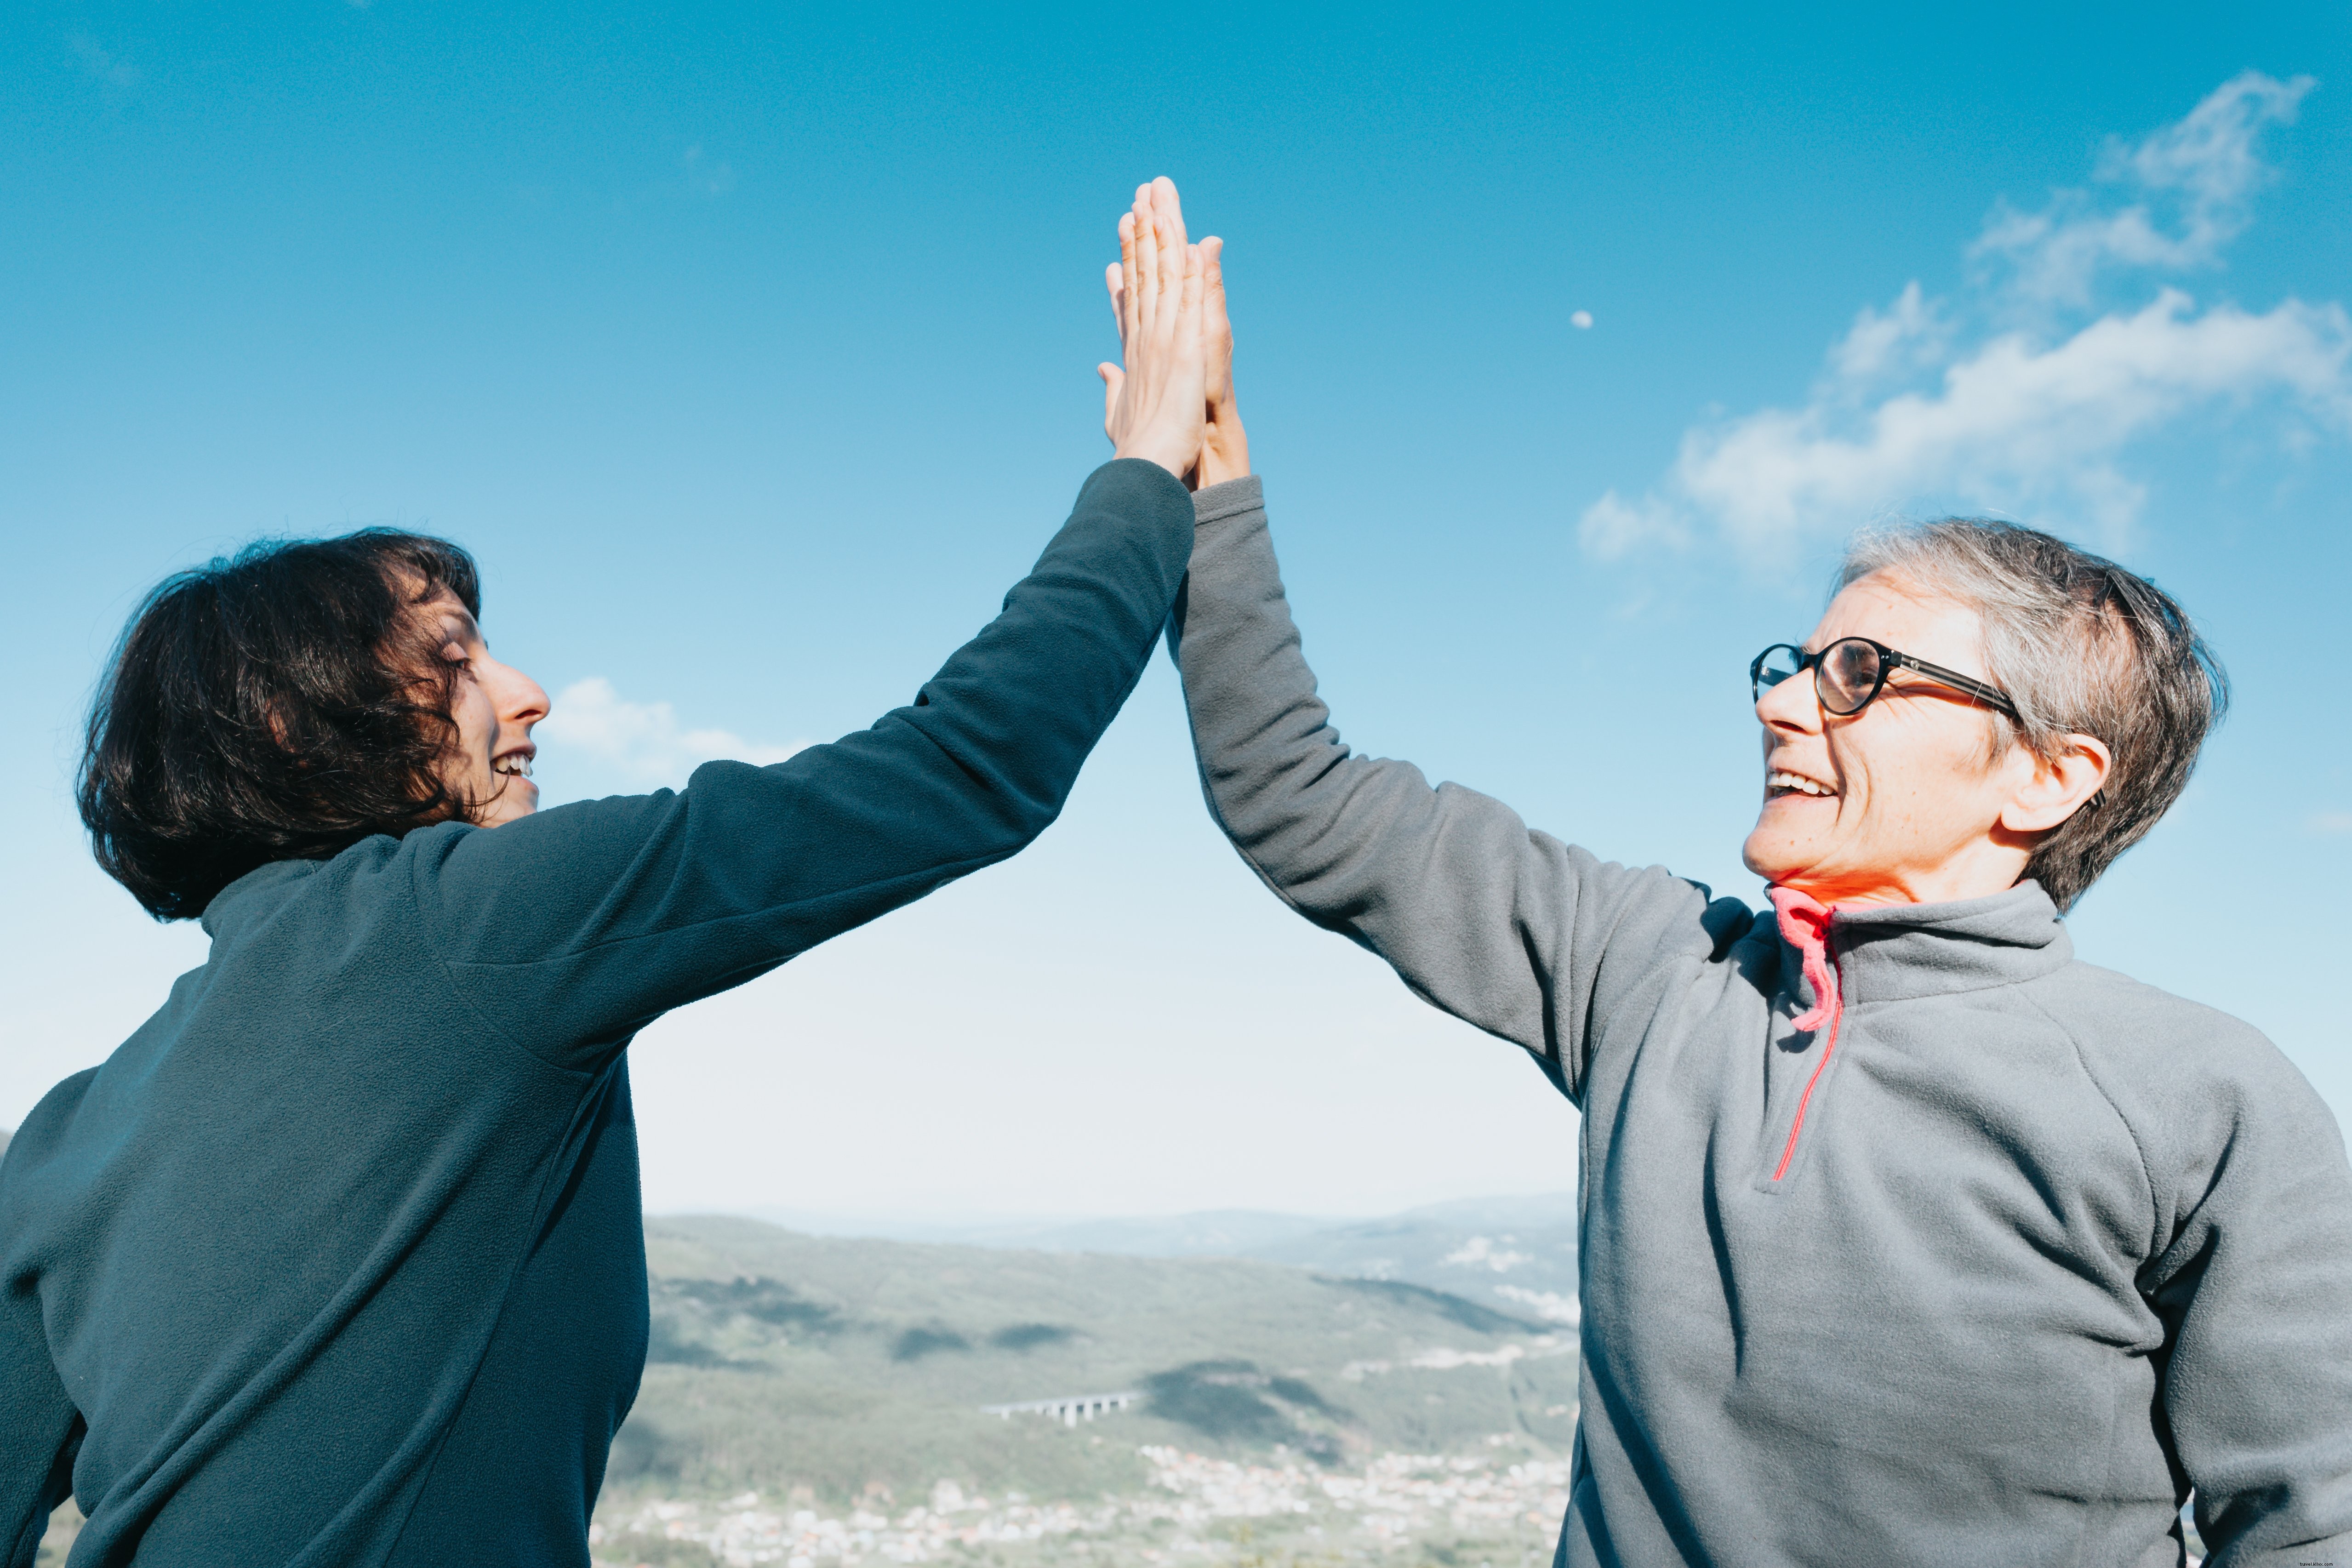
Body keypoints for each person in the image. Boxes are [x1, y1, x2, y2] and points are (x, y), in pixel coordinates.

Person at [0, 178, 1214, 1567]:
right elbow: (965, 764)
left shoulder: (56, 1141)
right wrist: (1148, 468)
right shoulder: (459, 931)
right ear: (290, 724)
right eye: (454, 653)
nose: (527, 694)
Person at [1160, 241, 2352, 1562]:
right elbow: (1298, 797)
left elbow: (2311, 1524)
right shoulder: (1650, 971)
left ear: (2044, 774)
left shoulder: (2203, 1097)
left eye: (1857, 671)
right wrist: (1207, 483)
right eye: (1793, 661)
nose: (1779, 699)